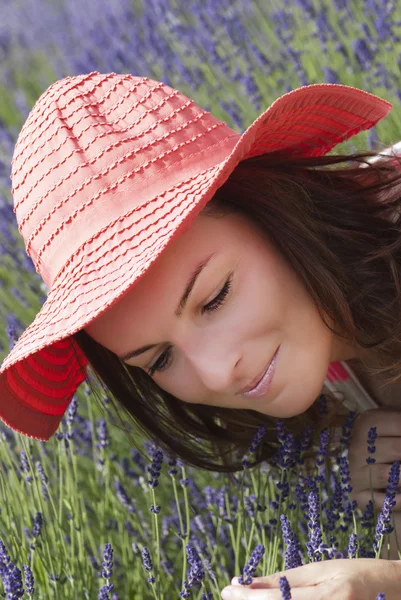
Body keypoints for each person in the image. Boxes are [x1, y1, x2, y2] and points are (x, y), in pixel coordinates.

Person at [3, 71, 401, 597]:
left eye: (214, 298)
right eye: (160, 360)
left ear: (269, 206)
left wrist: (384, 584)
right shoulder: (322, 378)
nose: (216, 372)